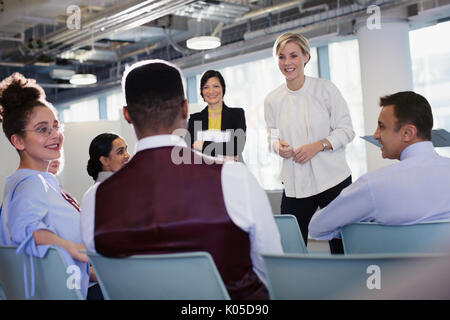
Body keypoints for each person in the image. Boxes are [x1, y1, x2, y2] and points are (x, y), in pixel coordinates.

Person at [81, 60, 283, 300]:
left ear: (126, 114)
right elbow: (273, 276)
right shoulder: (233, 178)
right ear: (185, 108)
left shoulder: (95, 200)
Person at [309, 91, 450, 240]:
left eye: (381, 127)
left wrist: (364, 228)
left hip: (393, 264)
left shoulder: (373, 185)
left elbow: (317, 228)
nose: (376, 135)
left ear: (408, 133)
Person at [0, 72, 91, 299]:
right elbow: (25, 229)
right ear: (18, 141)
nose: (55, 135)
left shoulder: (29, 181)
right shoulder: (32, 182)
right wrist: (72, 248)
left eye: (56, 126)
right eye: (42, 129)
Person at [264, 32, 355, 254]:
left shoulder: (326, 90)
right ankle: (296, 285)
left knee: (342, 243)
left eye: (293, 55)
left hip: (333, 178)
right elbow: (271, 137)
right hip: (296, 181)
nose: (287, 63)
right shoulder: (272, 99)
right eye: (282, 57)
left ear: (306, 56)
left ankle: (351, 284)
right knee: (291, 243)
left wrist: (318, 146)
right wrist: (278, 147)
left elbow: (347, 131)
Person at [80, 132, 130, 249]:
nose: (127, 155)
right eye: (120, 152)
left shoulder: (122, 188)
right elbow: (91, 241)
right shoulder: (96, 193)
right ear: (104, 160)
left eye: (126, 150)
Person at [187, 70, 246, 162]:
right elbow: (190, 152)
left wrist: (202, 145)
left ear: (223, 88)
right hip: (204, 173)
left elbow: (237, 147)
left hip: (230, 172)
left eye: (216, 86)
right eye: (206, 87)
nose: (211, 91)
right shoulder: (194, 119)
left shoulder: (237, 114)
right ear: (202, 92)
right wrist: (226, 156)